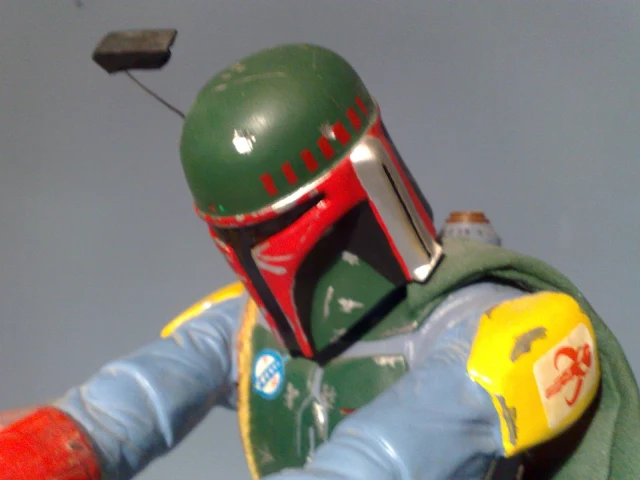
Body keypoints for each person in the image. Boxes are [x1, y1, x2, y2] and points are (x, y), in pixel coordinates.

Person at [1, 43, 638, 480]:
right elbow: (114, 412)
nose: (267, 259)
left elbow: (385, 458)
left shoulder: (502, 328)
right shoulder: (246, 328)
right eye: (244, 236)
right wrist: (36, 453)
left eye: (280, 228)